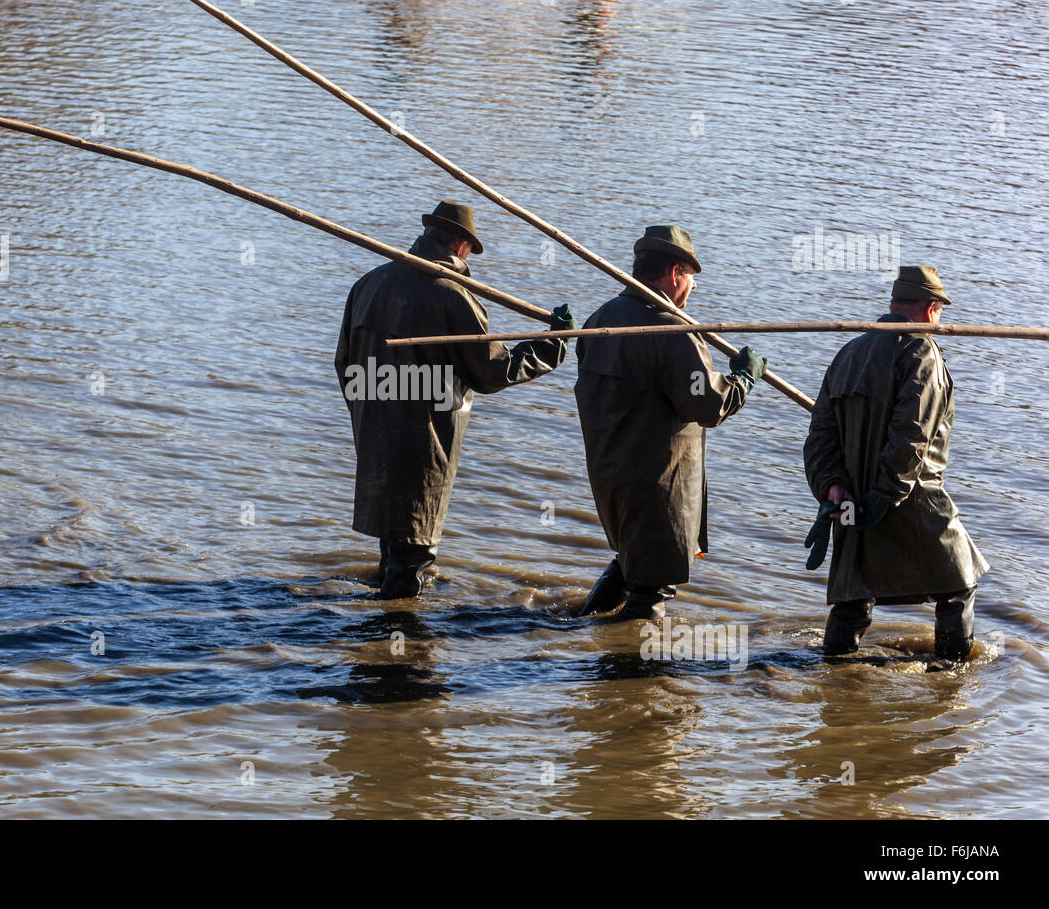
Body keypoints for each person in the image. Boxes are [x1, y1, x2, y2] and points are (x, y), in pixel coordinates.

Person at [335, 200, 575, 599]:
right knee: (415, 542)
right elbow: (491, 371)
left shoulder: (369, 283)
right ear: (461, 246)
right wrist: (552, 345)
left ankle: (380, 627)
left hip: (373, 428)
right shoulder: (453, 295)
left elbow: (344, 363)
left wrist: (369, 411)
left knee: (395, 537)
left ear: (428, 235)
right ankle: (398, 641)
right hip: (424, 436)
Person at [574, 225, 766, 619]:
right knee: (654, 587)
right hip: (657, 483)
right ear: (675, 273)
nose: (694, 288)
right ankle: (634, 671)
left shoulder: (600, 319)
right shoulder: (674, 331)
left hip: (610, 472)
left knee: (631, 564)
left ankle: (575, 626)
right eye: (692, 276)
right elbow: (710, 405)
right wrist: (744, 379)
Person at [802, 265, 988, 660]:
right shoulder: (923, 354)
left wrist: (833, 486)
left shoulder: (849, 352)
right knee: (959, 583)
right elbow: (911, 439)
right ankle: (949, 676)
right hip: (912, 496)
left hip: (852, 496)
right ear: (932, 308)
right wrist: (880, 499)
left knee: (857, 591)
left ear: (894, 303)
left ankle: (836, 668)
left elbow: (819, 434)